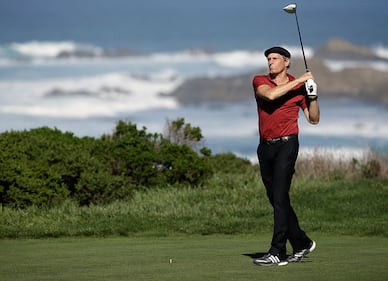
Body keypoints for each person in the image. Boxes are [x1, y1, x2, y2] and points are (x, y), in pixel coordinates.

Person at [252, 46, 320, 266]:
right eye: (268, 58)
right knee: (276, 199)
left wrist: (312, 96)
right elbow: (270, 95)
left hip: (287, 146)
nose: (270, 62)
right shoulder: (260, 80)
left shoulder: (298, 88)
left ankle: (277, 251)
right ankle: (302, 243)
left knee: (280, 196)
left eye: (275, 58)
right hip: (265, 147)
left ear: (286, 62)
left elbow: (314, 118)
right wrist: (300, 80)